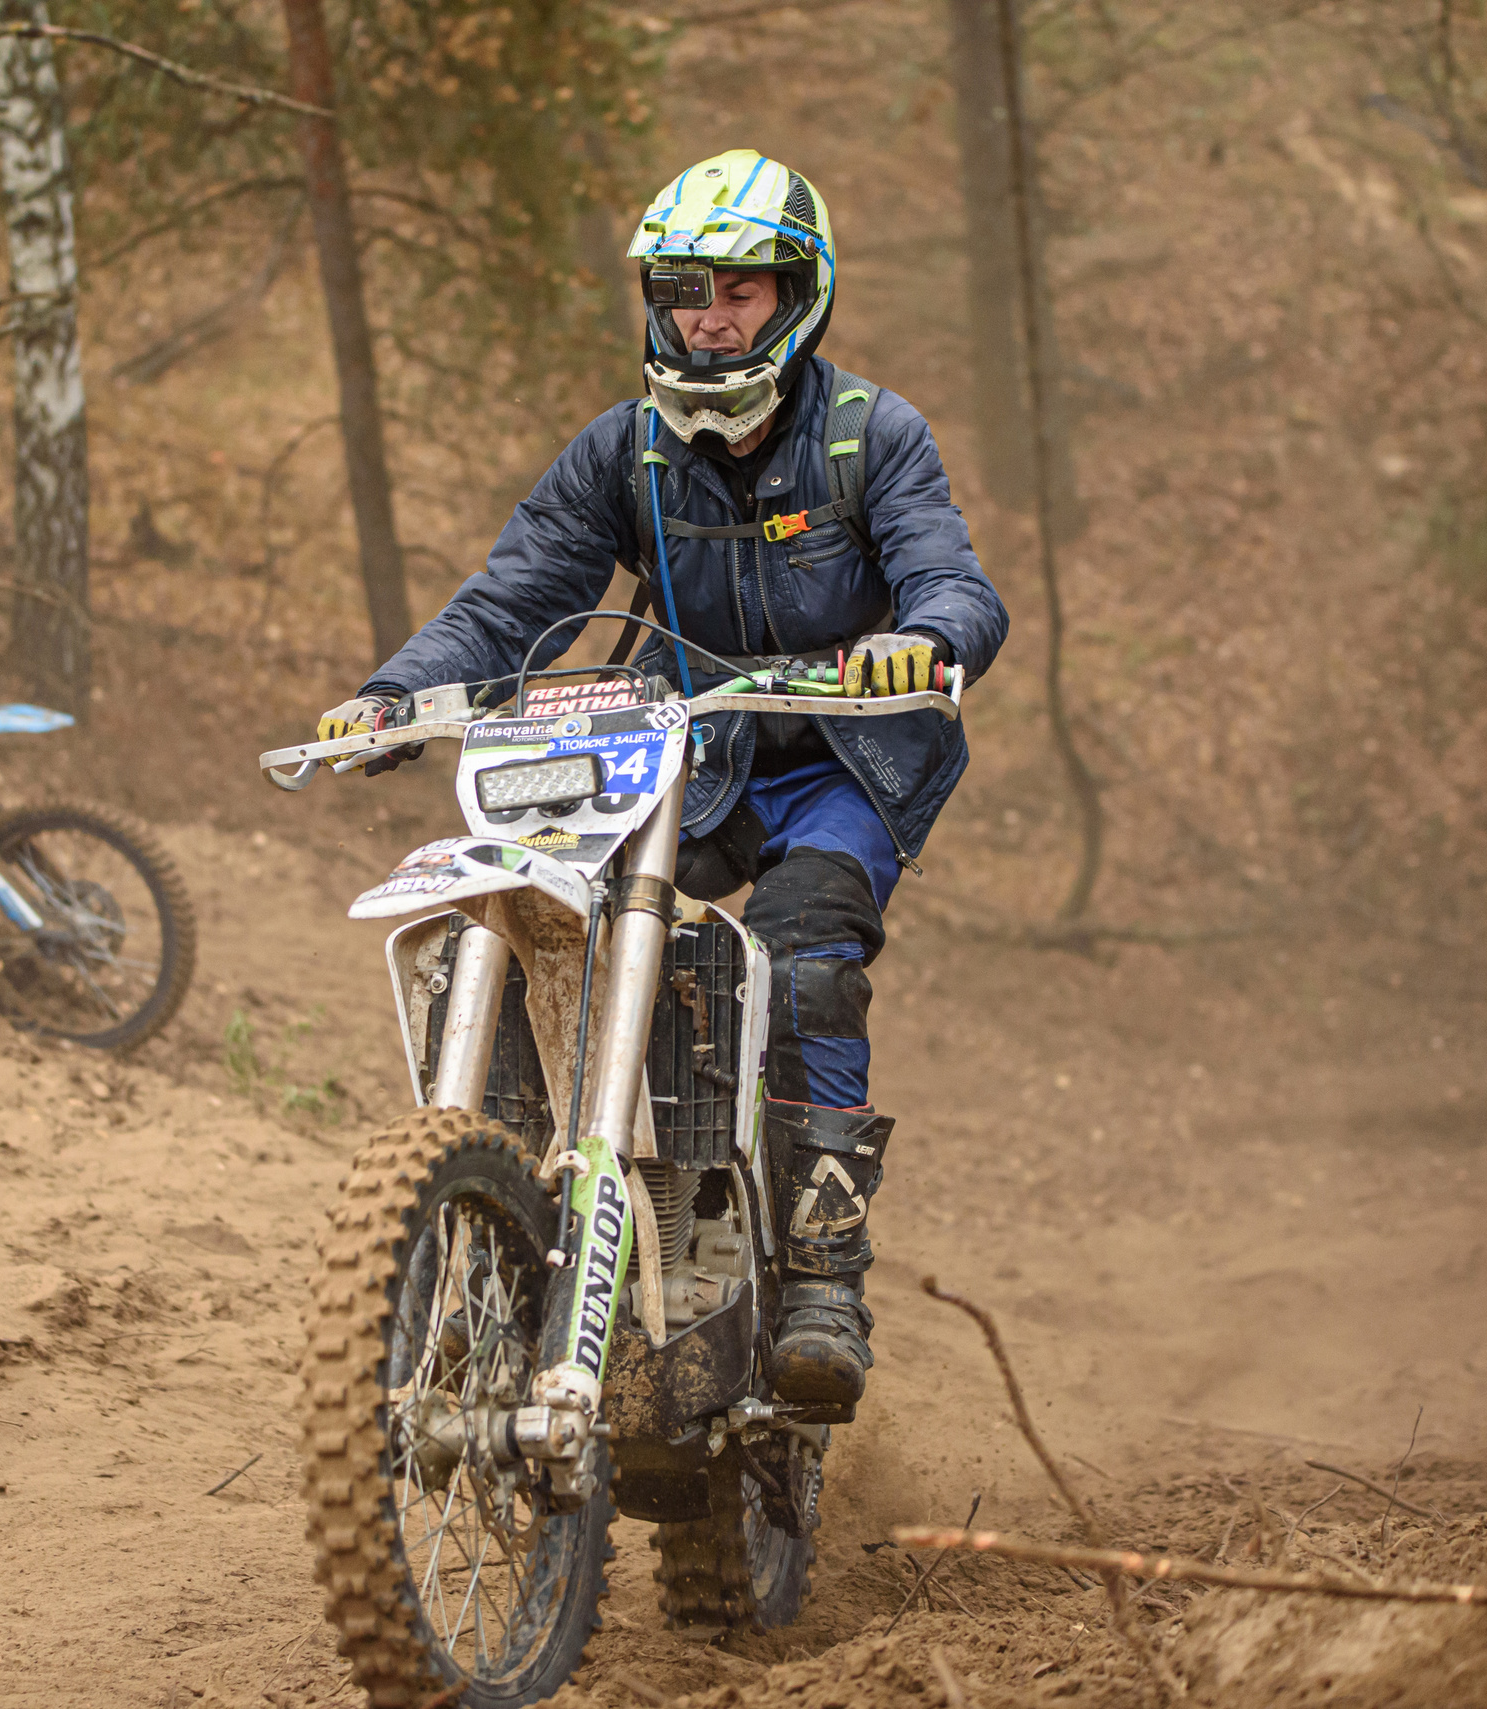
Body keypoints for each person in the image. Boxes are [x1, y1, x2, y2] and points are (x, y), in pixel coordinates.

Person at [315, 149, 1008, 1412]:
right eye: (686, 286)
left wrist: (926, 638)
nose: (710, 312)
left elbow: (953, 579)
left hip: (841, 760)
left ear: (800, 295)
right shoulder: (623, 451)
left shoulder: (869, 435)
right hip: (687, 758)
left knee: (800, 962)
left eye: (743, 287)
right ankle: (522, 1209)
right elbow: (516, 595)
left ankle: (817, 1274)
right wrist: (393, 695)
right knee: (556, 924)